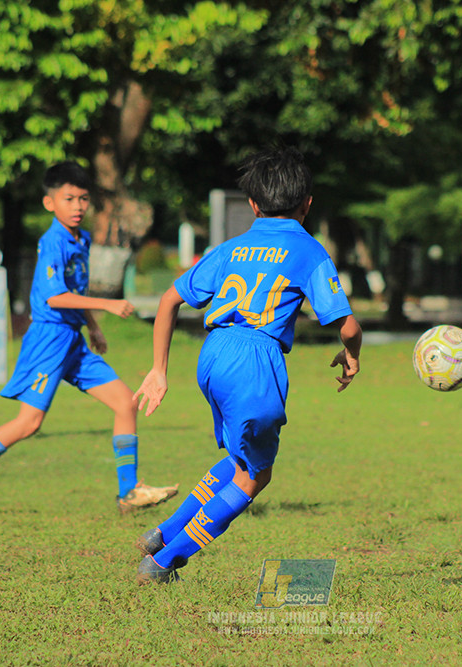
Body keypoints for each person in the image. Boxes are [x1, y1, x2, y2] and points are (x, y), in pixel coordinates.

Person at [132, 146, 362, 584]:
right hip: (256, 359)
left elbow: (169, 299)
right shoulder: (309, 251)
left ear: (253, 204)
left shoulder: (231, 248)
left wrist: (159, 369)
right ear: (307, 204)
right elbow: (347, 326)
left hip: (213, 354)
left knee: (241, 460)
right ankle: (165, 562)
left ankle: (161, 534)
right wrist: (352, 355)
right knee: (256, 476)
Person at [0, 161, 177, 516]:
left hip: (73, 340)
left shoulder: (83, 238)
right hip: (48, 339)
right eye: (69, 199)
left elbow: (75, 290)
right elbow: (54, 297)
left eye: (82, 199)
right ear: (50, 203)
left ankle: (128, 492)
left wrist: (92, 326)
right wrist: (106, 304)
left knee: (126, 402)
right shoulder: (52, 242)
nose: (77, 206)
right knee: (28, 423)